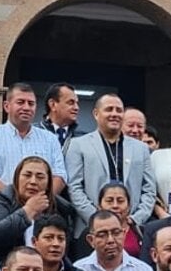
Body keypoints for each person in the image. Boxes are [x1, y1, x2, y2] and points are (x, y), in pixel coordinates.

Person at [67, 92, 157, 240]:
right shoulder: (78, 145)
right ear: (96, 114)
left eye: (119, 110)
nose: (114, 114)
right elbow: (74, 187)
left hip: (131, 228)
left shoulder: (141, 148)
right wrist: (96, 218)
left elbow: (149, 188)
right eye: (109, 109)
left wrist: (136, 218)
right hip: (90, 229)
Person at [0, 82, 67, 199]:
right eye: (20, 102)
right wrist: (17, 200)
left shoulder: (50, 139)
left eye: (31, 103)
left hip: (42, 209)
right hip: (2, 207)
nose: (26, 107)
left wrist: (42, 200)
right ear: (6, 106)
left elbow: (60, 176)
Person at [0, 154, 75, 260]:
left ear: (48, 183)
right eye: (27, 175)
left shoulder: (61, 208)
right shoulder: (2, 200)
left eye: (40, 177)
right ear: (17, 179)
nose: (33, 181)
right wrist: (27, 212)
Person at [41, 82, 84, 150]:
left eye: (76, 103)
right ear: (53, 105)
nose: (76, 108)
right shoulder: (32, 134)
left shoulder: (82, 138)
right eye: (70, 103)